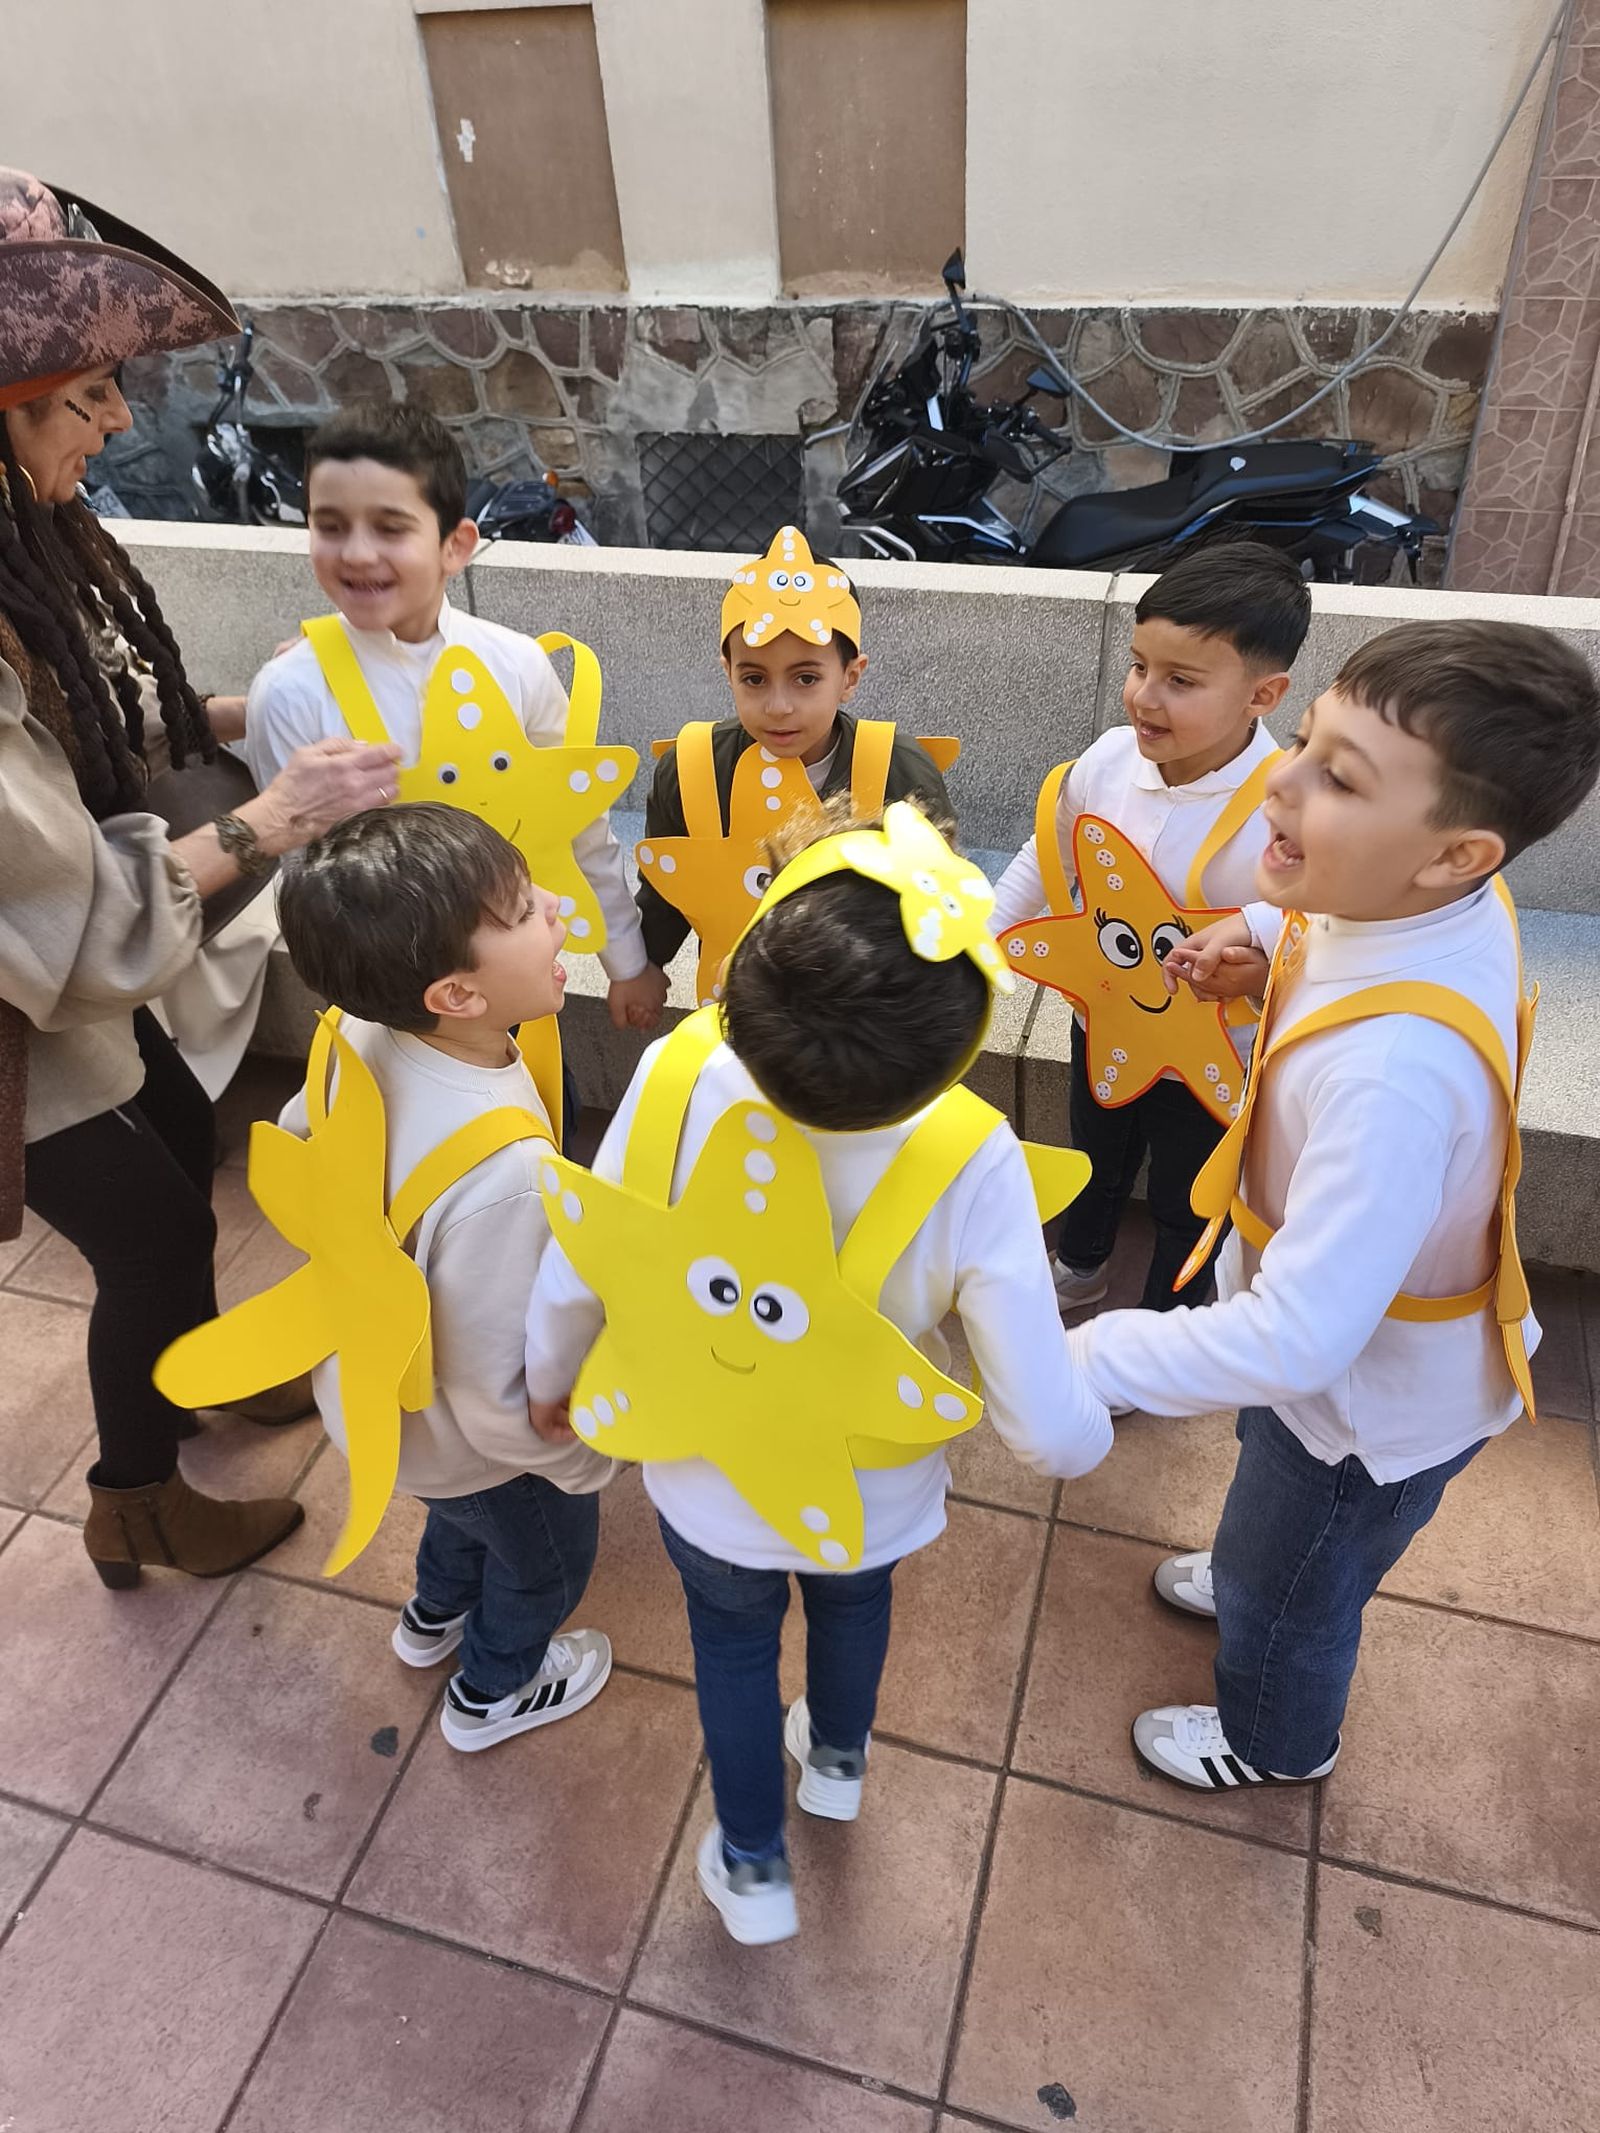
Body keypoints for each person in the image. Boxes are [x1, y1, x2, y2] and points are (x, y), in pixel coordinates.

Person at [526, 801, 1112, 1943]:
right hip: (871, 1490)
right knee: (855, 1606)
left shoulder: (679, 1069)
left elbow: (578, 1264)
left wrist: (554, 1381)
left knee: (731, 1650)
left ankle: (751, 1866)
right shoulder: (973, 1154)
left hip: (700, 1469)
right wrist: (1101, 1407)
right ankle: (837, 1761)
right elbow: (1047, 1430)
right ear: (959, 1037)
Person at [1068, 619, 1600, 1790]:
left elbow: (1303, 1339)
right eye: (1303, 742)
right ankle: (1260, 1566)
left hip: (1364, 1412)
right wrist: (1258, 936)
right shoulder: (1409, 901)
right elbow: (1320, 923)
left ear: (1457, 852)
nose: (1280, 781)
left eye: (1336, 778)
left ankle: (1275, 1739)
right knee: (1273, 1491)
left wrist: (1096, 1360)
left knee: (1296, 1593)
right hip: (1323, 1383)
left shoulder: (1397, 1075)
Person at [0, 168, 404, 1583]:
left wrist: (248, 711)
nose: (119, 418)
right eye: (86, 392)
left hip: (61, 989)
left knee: (181, 1139)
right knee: (159, 1226)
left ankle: (201, 1369)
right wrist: (277, 814)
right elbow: (75, 919)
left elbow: (96, 720)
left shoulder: (28, 540)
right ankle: (135, 1499)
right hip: (22, 1013)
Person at [276, 805, 614, 1749]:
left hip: (381, 1405)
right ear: (457, 993)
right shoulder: (503, 1175)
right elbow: (497, 1387)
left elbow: (301, 1139)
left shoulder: (354, 1029)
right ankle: (494, 1689)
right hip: (480, 1440)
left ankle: (430, 1618)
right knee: (541, 1560)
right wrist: (588, 1467)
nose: (555, 904)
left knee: (463, 1521)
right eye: (521, 911)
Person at [243, 403, 663, 1036]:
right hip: (384, 1008)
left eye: (390, 527)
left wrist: (626, 962)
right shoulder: (289, 693)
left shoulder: (517, 665)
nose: (357, 553)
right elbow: (305, 881)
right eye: (329, 526)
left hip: (518, 986)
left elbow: (579, 829)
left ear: (455, 544)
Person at [993, 541, 1311, 1313]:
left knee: (1186, 1192)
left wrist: (1254, 934)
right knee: (1094, 1158)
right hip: (1100, 1019)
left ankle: (1171, 1317)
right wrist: (987, 935)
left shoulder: (1288, 798)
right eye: (1139, 667)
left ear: (1262, 696)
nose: (1144, 696)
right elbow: (1048, 851)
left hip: (1213, 1054)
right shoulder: (1105, 762)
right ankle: (1081, 1261)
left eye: (1181, 681)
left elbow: (1320, 911)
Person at [631, 525, 954, 1015]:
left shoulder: (897, 771)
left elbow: (939, 899)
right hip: (733, 1014)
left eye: (806, 678)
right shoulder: (692, 769)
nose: (778, 706)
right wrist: (644, 966)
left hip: (860, 1022)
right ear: (728, 670)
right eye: (754, 678)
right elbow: (668, 889)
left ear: (850, 676)